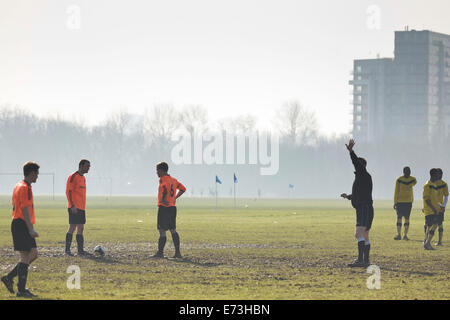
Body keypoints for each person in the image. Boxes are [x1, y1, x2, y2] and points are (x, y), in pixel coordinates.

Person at [1, 162, 40, 297]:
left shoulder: (20, 185)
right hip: (21, 224)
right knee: (25, 256)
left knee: (33, 254)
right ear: (32, 173)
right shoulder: (25, 188)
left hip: (21, 223)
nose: (37, 176)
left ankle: (9, 277)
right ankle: (21, 290)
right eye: (37, 173)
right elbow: (24, 209)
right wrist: (30, 229)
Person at [340, 139, 373, 268]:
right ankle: (365, 260)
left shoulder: (363, 173)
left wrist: (351, 151)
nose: (356, 165)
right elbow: (361, 194)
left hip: (364, 209)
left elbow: (356, 164)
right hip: (366, 208)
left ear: (362, 165)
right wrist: (348, 197)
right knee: (365, 235)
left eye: (358, 164)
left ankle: (360, 260)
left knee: (358, 234)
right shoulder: (363, 177)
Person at [153, 162, 186, 259]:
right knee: (173, 230)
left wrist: (163, 199)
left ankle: (160, 253)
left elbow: (165, 189)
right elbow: (183, 189)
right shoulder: (173, 180)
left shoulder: (163, 180)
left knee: (162, 230)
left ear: (162, 171)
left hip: (164, 207)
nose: (156, 173)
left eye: (157, 170)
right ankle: (178, 253)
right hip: (172, 207)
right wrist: (175, 197)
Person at [65, 159, 90, 256]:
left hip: (81, 207)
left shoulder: (83, 178)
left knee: (81, 227)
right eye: (87, 166)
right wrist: (72, 205)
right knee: (72, 227)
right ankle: (67, 250)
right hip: (74, 207)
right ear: (81, 166)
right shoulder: (73, 177)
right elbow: (68, 192)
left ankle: (80, 250)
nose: (89, 168)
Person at [422, 168, 446, 250]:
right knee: (433, 225)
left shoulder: (435, 185)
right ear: (433, 175)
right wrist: (433, 209)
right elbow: (427, 199)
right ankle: (427, 243)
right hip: (430, 210)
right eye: (437, 174)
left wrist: (441, 207)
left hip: (436, 209)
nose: (438, 176)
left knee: (432, 225)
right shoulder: (427, 185)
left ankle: (427, 242)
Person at [393, 167, 417, 240]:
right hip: (400, 202)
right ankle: (399, 234)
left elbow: (415, 181)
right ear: (403, 172)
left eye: (409, 171)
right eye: (406, 171)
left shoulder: (412, 179)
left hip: (408, 202)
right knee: (399, 217)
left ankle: (405, 235)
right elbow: (396, 191)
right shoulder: (399, 180)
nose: (408, 173)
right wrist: (395, 202)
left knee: (407, 218)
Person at [434, 169, 448, 246]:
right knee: (428, 224)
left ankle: (440, 241)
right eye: (439, 173)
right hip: (431, 206)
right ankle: (427, 239)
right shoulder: (431, 183)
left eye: (441, 173)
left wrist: (444, 205)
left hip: (440, 207)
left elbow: (446, 196)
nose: (440, 175)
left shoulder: (444, 184)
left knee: (440, 223)